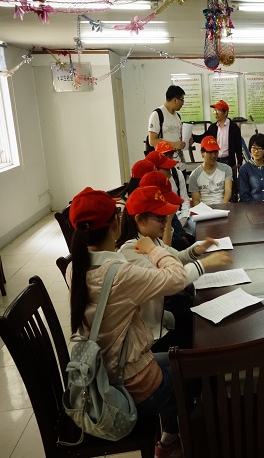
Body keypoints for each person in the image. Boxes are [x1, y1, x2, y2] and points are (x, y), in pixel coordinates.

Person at [66, 187, 195, 456]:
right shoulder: (120, 274)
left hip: (101, 370)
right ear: (115, 223)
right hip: (131, 385)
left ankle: (170, 434)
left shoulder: (74, 268)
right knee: (195, 375)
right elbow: (178, 278)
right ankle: (179, 437)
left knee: (180, 358)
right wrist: (153, 250)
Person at [116, 185, 231, 353]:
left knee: (200, 322)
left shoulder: (152, 240)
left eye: (166, 216)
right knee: (203, 338)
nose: (165, 222)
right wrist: (204, 264)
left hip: (159, 319)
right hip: (148, 338)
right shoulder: (130, 251)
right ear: (140, 220)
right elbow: (169, 281)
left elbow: (175, 258)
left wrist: (196, 250)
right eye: (160, 218)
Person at [155, 141, 195, 239]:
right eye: (165, 155)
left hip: (180, 215)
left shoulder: (177, 173)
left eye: (171, 155)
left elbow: (184, 198)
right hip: (163, 219)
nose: (169, 158)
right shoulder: (153, 178)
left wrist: (184, 217)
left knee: (195, 227)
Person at [192, 100, 243, 167]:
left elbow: (238, 146)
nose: (216, 113)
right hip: (215, 159)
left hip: (228, 161)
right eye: (215, 111)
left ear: (225, 113)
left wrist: (239, 163)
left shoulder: (233, 127)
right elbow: (203, 138)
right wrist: (192, 137)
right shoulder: (213, 127)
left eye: (218, 111)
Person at [188, 136, 233, 205]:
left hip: (223, 206)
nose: (213, 155)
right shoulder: (194, 175)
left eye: (215, 152)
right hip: (204, 208)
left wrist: (223, 206)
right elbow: (196, 201)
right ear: (202, 153)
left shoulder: (226, 169)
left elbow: (228, 191)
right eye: (210, 152)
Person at [238, 133, 264, 202]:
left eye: (259, 148)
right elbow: (244, 195)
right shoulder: (244, 169)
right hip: (251, 206)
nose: (256, 151)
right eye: (253, 148)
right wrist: (257, 206)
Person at [147, 85, 185, 152]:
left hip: (178, 156)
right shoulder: (157, 114)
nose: (183, 103)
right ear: (175, 100)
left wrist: (186, 141)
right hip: (163, 156)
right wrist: (173, 144)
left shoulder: (177, 116)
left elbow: (178, 138)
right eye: (182, 100)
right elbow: (152, 141)